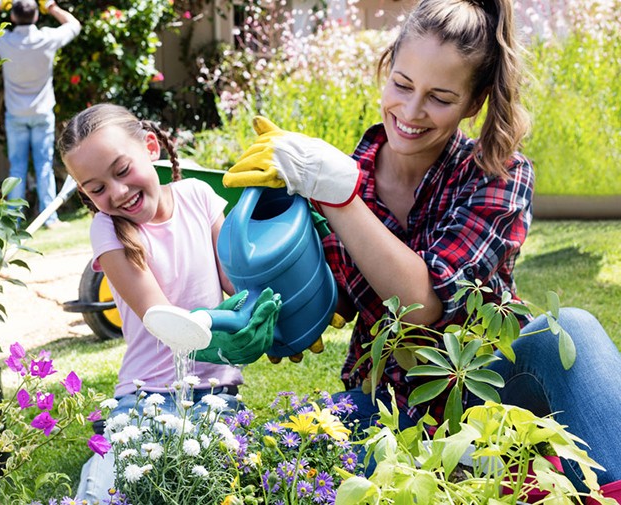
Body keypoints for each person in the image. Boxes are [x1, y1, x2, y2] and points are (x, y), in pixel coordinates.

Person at [223, 0, 621, 493]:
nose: (411, 112)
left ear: (473, 103)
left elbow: (421, 306)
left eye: (440, 97)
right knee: (263, 464)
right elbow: (318, 297)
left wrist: (337, 199)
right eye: (402, 85)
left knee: (573, 330)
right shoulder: (337, 175)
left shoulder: (498, 174)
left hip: (491, 394)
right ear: (387, 69)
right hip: (389, 408)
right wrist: (257, 315)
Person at [56, 103, 280, 502]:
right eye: (97, 188)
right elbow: (163, 320)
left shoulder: (198, 196)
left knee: (209, 486)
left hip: (215, 394)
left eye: (122, 170)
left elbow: (238, 282)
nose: (118, 192)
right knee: (113, 486)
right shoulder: (107, 229)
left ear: (151, 147)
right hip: (145, 398)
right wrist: (223, 334)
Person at [0, 0, 79, 229]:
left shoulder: (6, 40)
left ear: (13, 17)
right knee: (44, 165)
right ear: (35, 17)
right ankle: (49, 219)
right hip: (42, 113)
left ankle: (13, 219)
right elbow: (74, 24)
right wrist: (51, 6)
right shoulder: (46, 39)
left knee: (17, 167)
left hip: (15, 114)